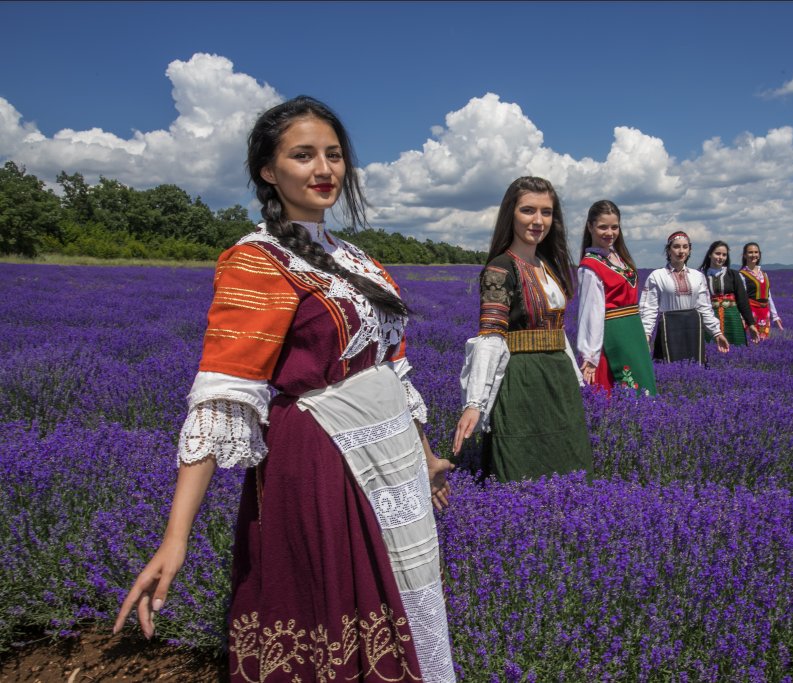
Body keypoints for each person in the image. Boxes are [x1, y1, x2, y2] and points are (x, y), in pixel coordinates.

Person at [113, 96, 456, 683]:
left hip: (392, 457)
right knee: (337, 610)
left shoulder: (357, 260)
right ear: (269, 171)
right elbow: (224, 396)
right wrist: (176, 539)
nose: (323, 169)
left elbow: (395, 367)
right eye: (303, 156)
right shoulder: (257, 261)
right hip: (322, 461)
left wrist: (425, 455)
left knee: (400, 598)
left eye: (333, 155)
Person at [451, 176, 593, 483]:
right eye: (528, 210)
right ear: (510, 214)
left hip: (559, 382)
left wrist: (575, 376)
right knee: (522, 465)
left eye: (547, 212)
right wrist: (474, 404)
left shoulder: (547, 266)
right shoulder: (500, 270)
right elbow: (490, 336)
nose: (538, 220)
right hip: (523, 382)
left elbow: (556, 329)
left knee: (567, 462)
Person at [576, 200, 658, 395]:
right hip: (613, 336)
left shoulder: (619, 257)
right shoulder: (590, 266)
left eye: (614, 227)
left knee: (643, 388)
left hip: (633, 334)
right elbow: (590, 312)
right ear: (590, 227)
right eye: (603, 227)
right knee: (618, 389)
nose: (610, 233)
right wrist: (590, 354)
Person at [639, 231, 730, 364]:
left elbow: (704, 308)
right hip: (669, 328)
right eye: (676, 246)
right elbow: (649, 308)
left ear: (689, 250)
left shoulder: (697, 276)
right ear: (668, 250)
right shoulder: (657, 276)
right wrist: (646, 334)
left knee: (694, 367)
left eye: (685, 247)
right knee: (668, 368)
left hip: (693, 328)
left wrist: (717, 333)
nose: (681, 251)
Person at [698, 240, 759, 347]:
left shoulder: (733, 275)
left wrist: (751, 324)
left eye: (724, 255)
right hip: (709, 318)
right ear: (709, 254)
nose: (720, 257)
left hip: (732, 318)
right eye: (717, 253)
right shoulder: (700, 275)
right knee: (709, 348)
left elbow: (742, 300)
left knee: (736, 348)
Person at [739, 241, 784, 339]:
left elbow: (768, 296)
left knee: (763, 340)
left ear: (759, 255)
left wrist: (775, 316)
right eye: (750, 252)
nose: (753, 255)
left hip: (764, 313)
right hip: (750, 313)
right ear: (745, 255)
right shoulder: (741, 275)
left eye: (756, 252)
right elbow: (741, 298)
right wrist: (742, 317)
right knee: (751, 341)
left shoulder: (764, 274)